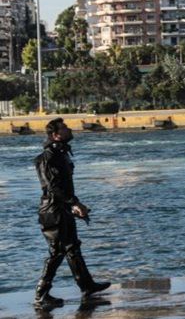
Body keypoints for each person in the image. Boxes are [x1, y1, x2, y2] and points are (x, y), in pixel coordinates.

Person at [33, 118, 110, 309]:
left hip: (62, 209)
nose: (69, 129)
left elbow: (64, 187)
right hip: (52, 211)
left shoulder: (61, 154)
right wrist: (75, 203)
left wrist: (72, 206)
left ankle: (87, 286)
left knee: (72, 248)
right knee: (57, 251)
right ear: (55, 134)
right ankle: (41, 294)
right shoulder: (48, 157)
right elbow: (54, 188)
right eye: (64, 128)